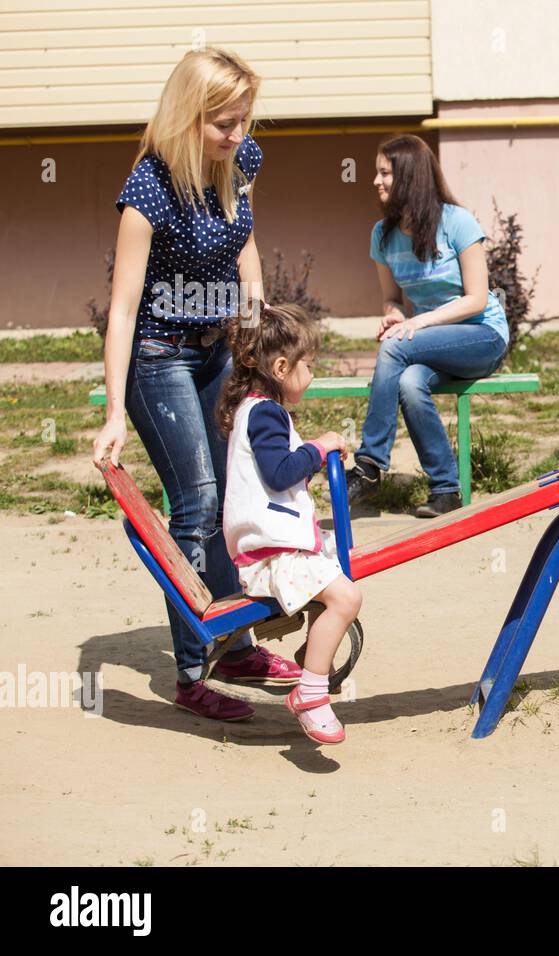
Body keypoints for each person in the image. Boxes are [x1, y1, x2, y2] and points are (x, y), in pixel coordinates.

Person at [91, 48, 302, 721]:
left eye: (243, 120)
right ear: (188, 119)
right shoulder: (148, 190)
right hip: (158, 357)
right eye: (223, 123)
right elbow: (122, 309)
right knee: (198, 499)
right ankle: (191, 673)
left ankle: (235, 643)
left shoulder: (241, 163)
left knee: (233, 494)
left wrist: (253, 324)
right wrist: (115, 413)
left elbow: (243, 243)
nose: (238, 135)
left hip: (215, 351)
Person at [217, 303, 362, 745]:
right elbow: (280, 472)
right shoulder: (264, 414)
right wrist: (319, 448)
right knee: (346, 598)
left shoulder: (257, 410)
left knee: (341, 563)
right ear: (281, 367)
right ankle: (311, 694)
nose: (312, 376)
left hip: (270, 549)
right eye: (309, 366)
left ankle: (313, 651)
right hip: (269, 558)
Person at [345, 134, 510, 517]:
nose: (376, 181)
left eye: (385, 172)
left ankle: (369, 465)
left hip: (482, 336)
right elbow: (392, 298)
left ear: (410, 177)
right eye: (376, 172)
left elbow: (477, 299)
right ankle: (446, 490)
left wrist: (419, 322)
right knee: (408, 382)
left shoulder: (457, 222)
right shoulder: (382, 236)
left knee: (395, 346)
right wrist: (395, 315)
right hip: (431, 339)